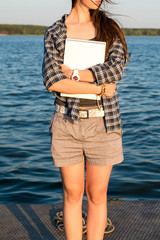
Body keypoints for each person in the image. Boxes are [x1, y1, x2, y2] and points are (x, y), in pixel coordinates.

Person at [42, 0, 128, 239]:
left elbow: (114, 71)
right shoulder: (56, 32)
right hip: (66, 123)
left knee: (97, 195)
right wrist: (98, 89)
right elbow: (53, 81)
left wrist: (75, 74)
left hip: (104, 123)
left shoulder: (108, 29)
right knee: (72, 194)